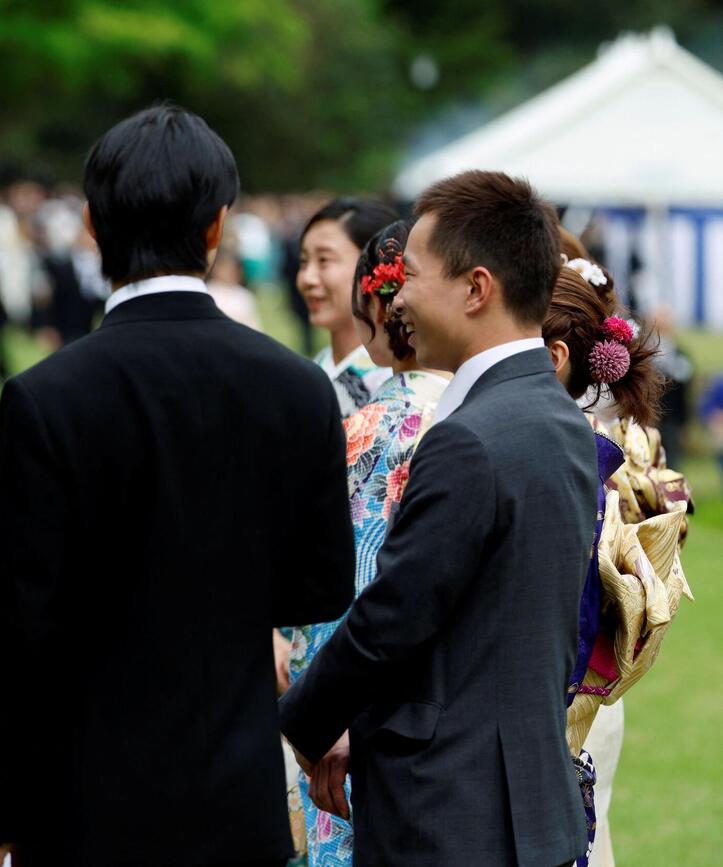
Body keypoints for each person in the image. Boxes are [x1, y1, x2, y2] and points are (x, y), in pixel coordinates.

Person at [0, 105, 355, 867]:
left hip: (83, 801)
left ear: (88, 225)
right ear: (217, 228)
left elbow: (19, 630)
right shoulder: (293, 386)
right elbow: (320, 584)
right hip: (232, 789)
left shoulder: (46, 396)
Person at [280, 170, 595, 866]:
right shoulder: (555, 416)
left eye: (412, 277)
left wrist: (304, 718)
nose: (398, 299)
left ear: (475, 288)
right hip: (525, 806)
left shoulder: (469, 438)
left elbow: (392, 615)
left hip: (448, 814)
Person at [283, 220, 448, 866]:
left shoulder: (365, 429)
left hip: (352, 694)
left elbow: (319, 583)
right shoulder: (473, 412)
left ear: (378, 308)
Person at [543, 251, 693, 867]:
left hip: (572, 679)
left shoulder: (588, 444)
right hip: (588, 677)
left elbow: (670, 515)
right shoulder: (601, 436)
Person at [295, 197, 398, 417]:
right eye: (303, 262)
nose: (307, 278)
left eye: (324, 260)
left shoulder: (393, 381)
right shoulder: (310, 372)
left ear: (374, 267)